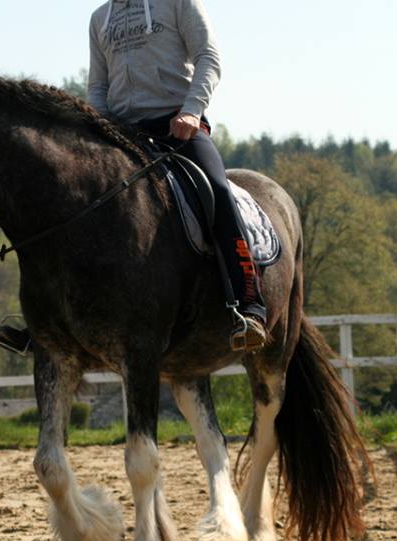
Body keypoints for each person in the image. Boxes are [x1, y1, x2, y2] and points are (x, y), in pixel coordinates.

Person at [88, 0, 267, 350]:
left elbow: (209, 58)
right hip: (121, 134)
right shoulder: (99, 19)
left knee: (216, 190)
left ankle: (250, 305)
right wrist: (97, 127)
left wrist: (191, 110)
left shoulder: (179, 3)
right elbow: (97, 86)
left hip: (178, 126)